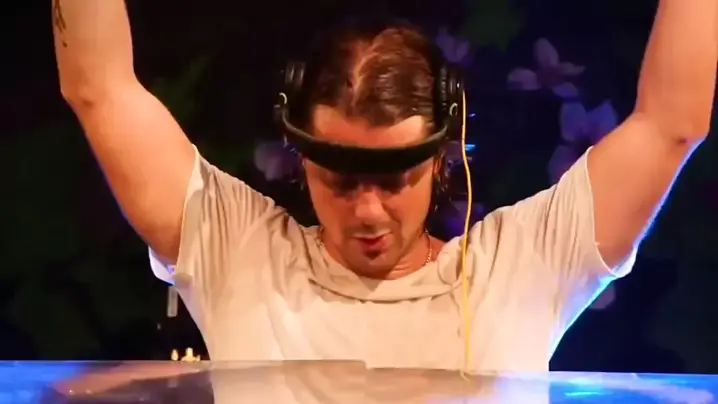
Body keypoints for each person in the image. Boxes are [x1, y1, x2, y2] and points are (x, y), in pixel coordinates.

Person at [53, 0, 715, 373]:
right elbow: (98, 88)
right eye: (341, 181)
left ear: (440, 160)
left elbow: (672, 123)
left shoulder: (522, 267)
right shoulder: (238, 253)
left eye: (394, 180)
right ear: (301, 159)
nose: (368, 211)